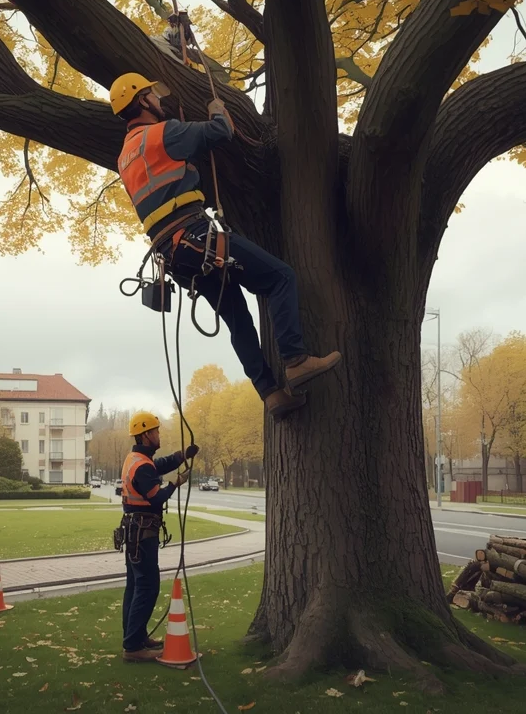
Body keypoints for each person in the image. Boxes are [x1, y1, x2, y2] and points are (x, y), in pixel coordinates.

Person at [109, 72, 343, 420]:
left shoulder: (125, 158)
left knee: (236, 317)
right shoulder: (164, 132)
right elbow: (221, 132)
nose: (159, 101)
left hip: (174, 256)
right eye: (152, 96)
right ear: (141, 101)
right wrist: (218, 109)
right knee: (280, 277)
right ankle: (295, 360)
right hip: (196, 236)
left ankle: (270, 393)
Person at [118, 410, 195, 662]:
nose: (159, 434)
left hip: (135, 531)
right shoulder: (141, 465)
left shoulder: (138, 458)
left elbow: (158, 465)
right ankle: (133, 646)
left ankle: (135, 637)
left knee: (135, 585)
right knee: (147, 586)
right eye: (156, 431)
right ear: (145, 434)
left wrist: (181, 456)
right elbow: (156, 497)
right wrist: (175, 483)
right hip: (142, 532)